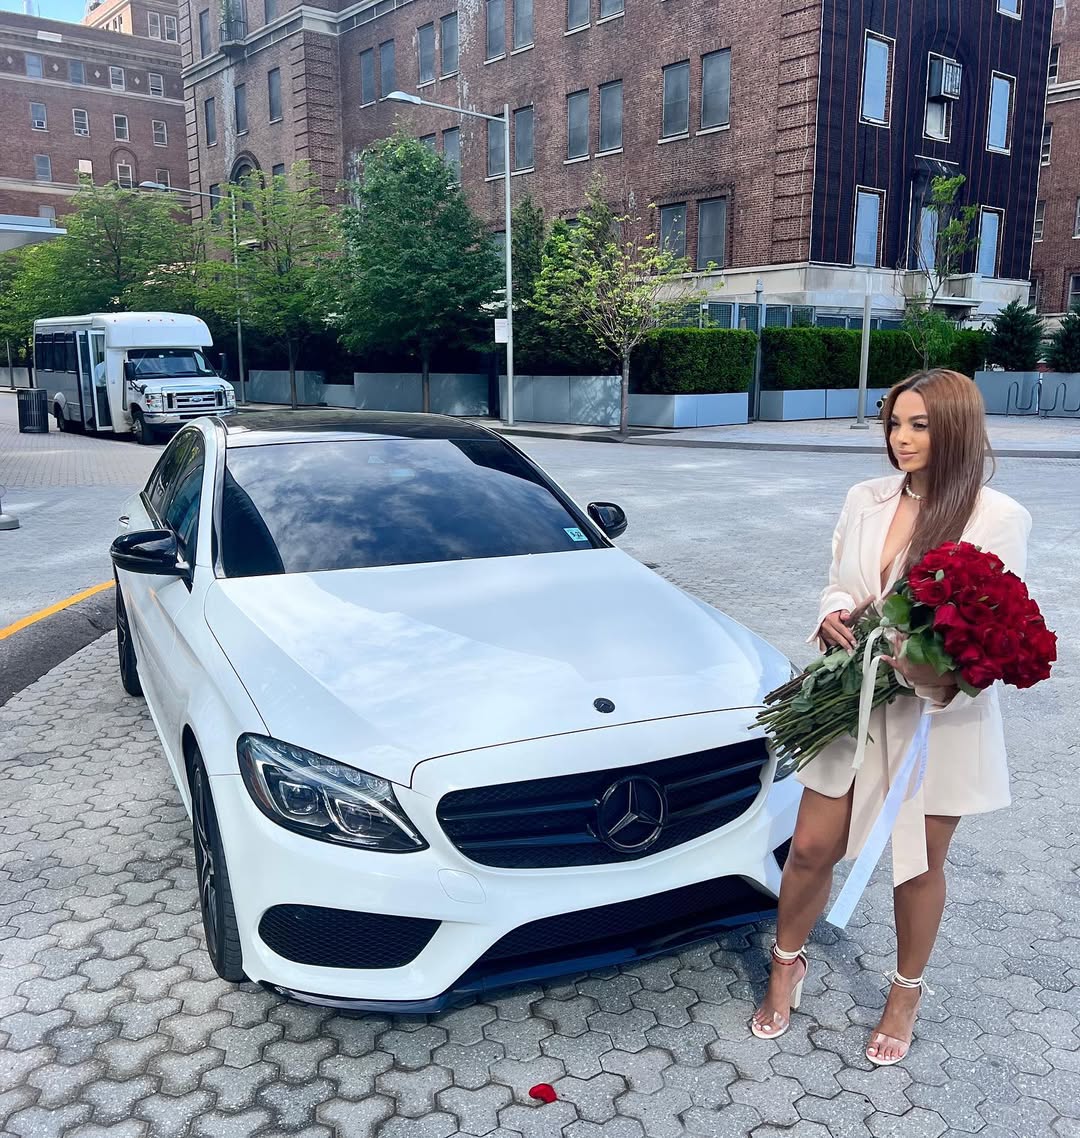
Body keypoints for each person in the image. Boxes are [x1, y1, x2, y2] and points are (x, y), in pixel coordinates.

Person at [751, 369, 1032, 1066]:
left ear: (957, 430)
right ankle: (787, 961)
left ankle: (905, 992)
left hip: (937, 720)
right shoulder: (865, 498)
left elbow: (994, 628)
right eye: (894, 422)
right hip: (852, 703)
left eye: (920, 426)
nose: (901, 439)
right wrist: (831, 612)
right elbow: (839, 578)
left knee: (917, 863)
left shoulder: (997, 516)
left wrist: (926, 662)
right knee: (812, 846)